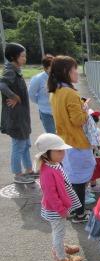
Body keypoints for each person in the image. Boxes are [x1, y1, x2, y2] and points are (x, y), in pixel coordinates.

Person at [48, 55, 95, 223]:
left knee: (72, 177)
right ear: (65, 72)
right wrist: (85, 108)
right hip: (77, 142)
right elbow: (78, 120)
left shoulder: (56, 92)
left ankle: (75, 209)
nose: (77, 72)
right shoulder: (70, 93)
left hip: (65, 140)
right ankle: (79, 213)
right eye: (74, 69)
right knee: (79, 180)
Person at [36, 133, 83, 261]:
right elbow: (51, 195)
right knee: (59, 231)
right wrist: (62, 210)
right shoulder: (47, 171)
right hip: (56, 209)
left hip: (58, 207)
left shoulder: (53, 164)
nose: (63, 153)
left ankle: (60, 246)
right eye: (59, 151)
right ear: (46, 153)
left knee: (59, 230)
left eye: (63, 150)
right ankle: (61, 258)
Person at [0, 43, 35, 184]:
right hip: (16, 117)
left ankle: (29, 170)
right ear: (14, 57)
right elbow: (1, 84)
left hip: (22, 115)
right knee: (19, 145)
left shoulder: (16, 69)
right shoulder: (10, 70)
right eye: (22, 56)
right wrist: (13, 96)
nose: (25, 58)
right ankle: (18, 174)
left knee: (26, 144)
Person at [29, 54, 55, 133]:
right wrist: (41, 102)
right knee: (51, 135)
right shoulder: (38, 79)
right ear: (45, 68)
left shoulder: (58, 76)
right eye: (51, 67)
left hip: (59, 111)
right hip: (46, 112)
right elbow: (31, 94)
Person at [88, 110, 100, 193]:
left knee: (92, 170)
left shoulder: (91, 130)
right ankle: (93, 186)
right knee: (92, 170)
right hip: (93, 153)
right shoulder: (95, 130)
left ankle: (92, 185)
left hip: (93, 153)